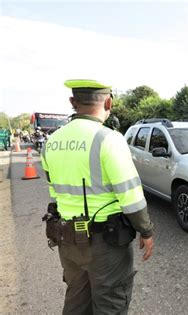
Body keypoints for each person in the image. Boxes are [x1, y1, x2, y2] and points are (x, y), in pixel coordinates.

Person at [41, 79, 154, 314]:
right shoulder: (109, 139)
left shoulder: (51, 141)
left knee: (76, 301)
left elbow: (54, 191)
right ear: (109, 102)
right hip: (105, 244)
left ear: (73, 102)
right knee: (110, 304)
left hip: (66, 238)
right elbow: (130, 195)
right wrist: (146, 230)